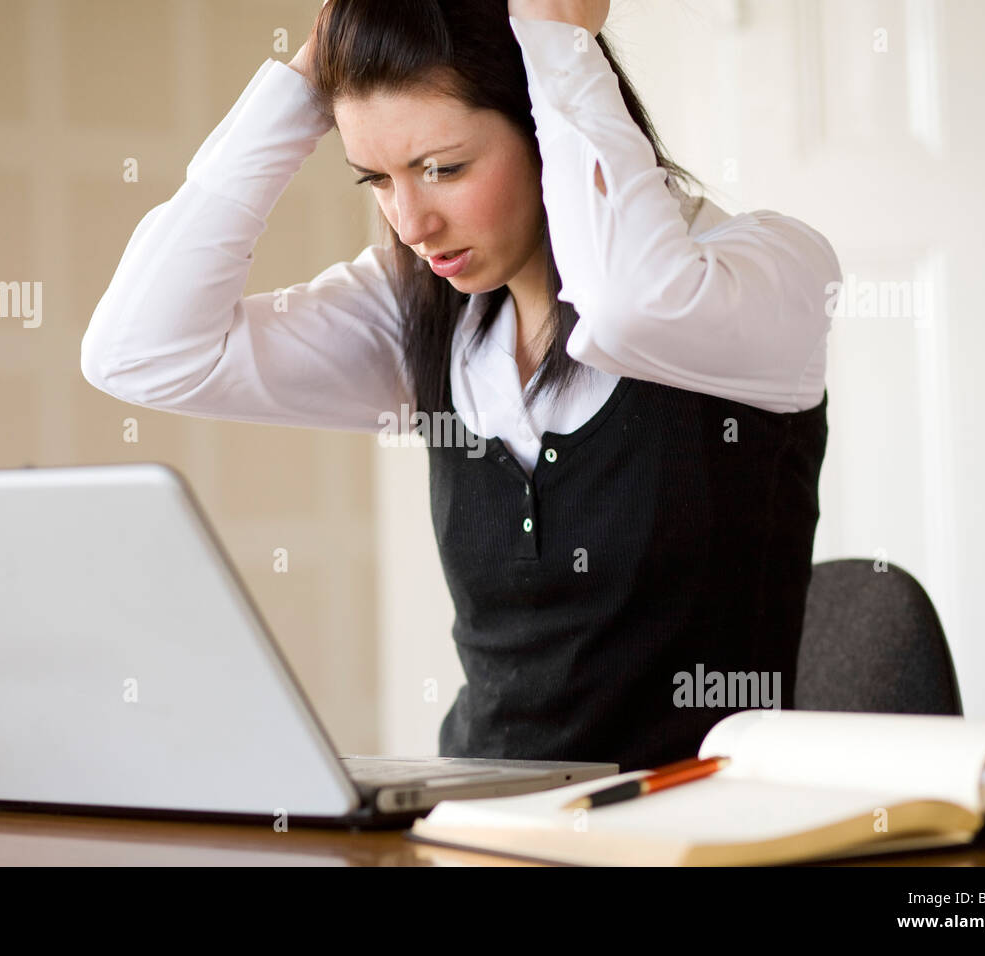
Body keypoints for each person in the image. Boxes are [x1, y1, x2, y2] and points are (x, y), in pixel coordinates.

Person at [81, 0, 842, 771]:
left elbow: (626, 306)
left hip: (695, 832)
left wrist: (557, 39)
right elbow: (138, 351)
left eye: (443, 169)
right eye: (377, 177)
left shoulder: (764, 272)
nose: (410, 222)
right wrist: (301, 86)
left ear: (542, 121)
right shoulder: (420, 310)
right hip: (471, 823)